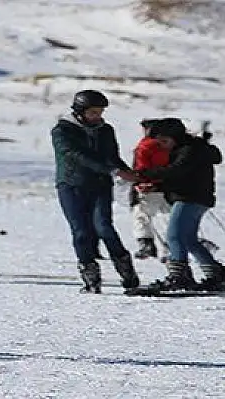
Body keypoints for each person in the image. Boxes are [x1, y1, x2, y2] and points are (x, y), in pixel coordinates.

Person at [51, 89, 142, 293]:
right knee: (81, 231)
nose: (98, 116)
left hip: (100, 185)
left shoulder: (105, 130)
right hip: (71, 185)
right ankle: (91, 278)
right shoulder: (62, 131)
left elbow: (112, 156)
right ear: (80, 111)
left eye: (100, 112)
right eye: (93, 112)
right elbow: (75, 155)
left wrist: (129, 172)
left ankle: (127, 273)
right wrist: (114, 170)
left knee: (104, 228)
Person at [139, 118, 225, 291]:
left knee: (174, 236)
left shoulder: (189, 150)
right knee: (188, 239)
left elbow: (176, 171)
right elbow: (181, 177)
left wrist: (143, 175)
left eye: (164, 141)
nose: (162, 145)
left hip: (190, 198)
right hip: (193, 196)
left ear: (176, 137)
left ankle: (179, 277)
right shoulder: (187, 149)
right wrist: (157, 186)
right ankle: (216, 274)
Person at [130, 118, 171, 259]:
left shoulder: (145, 146)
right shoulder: (170, 146)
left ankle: (146, 244)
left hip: (148, 188)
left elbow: (140, 167)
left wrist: (138, 183)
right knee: (166, 218)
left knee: (141, 215)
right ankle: (168, 249)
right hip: (168, 188)